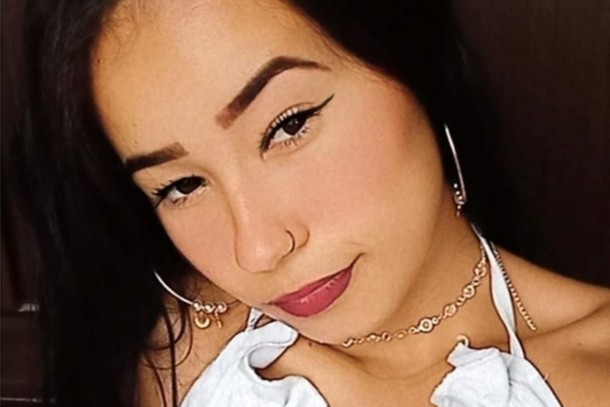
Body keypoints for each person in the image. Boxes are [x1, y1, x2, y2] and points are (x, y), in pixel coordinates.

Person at [18, 0, 610, 406]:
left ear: (411, 62)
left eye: (289, 125)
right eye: (183, 186)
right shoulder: (183, 347)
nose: (258, 250)